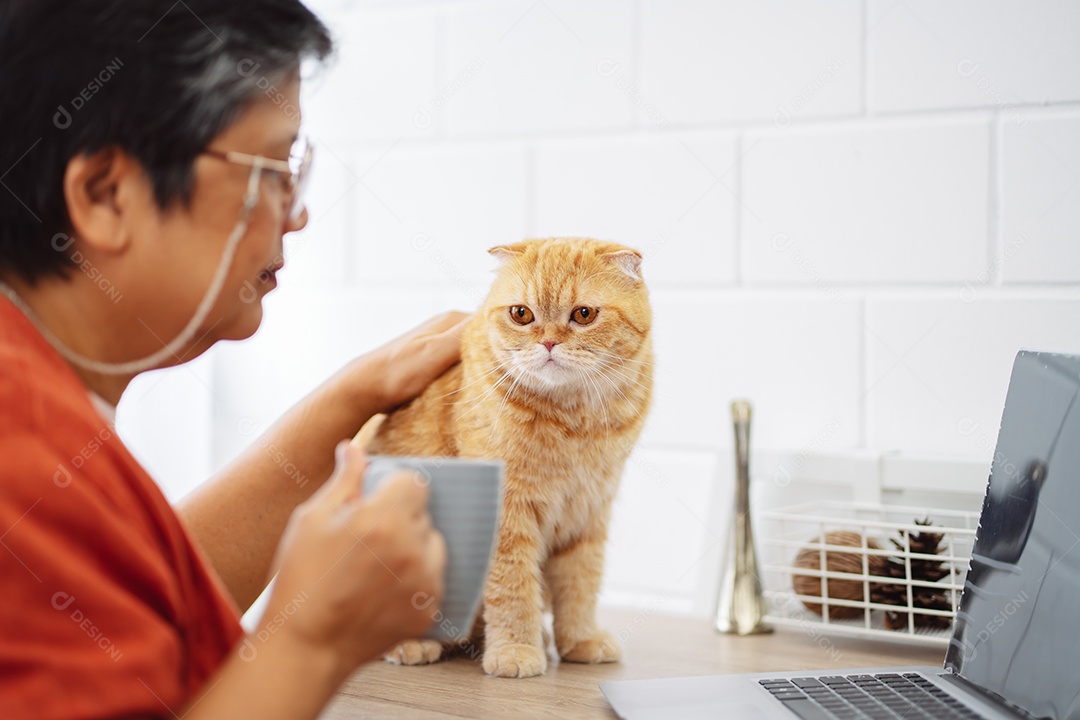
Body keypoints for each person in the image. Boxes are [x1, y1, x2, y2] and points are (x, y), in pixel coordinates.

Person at [0, 1, 463, 717]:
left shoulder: (37, 393)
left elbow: (130, 598)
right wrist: (313, 640)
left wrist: (352, 402)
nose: (297, 211)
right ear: (105, 194)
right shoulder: (17, 449)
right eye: (272, 168)